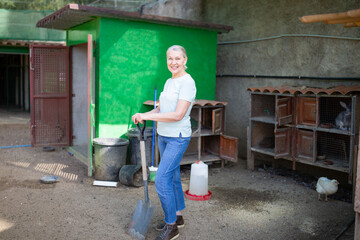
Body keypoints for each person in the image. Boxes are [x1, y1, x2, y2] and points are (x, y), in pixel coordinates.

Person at [131, 45, 196, 240]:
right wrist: (144, 115)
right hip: (164, 135)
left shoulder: (187, 82)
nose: (173, 62)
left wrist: (147, 115)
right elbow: (160, 110)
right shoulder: (169, 82)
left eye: (178, 58)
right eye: (170, 58)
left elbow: (178, 115)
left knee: (161, 180)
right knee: (174, 176)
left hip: (178, 137)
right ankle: (177, 217)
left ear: (185, 60)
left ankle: (171, 226)